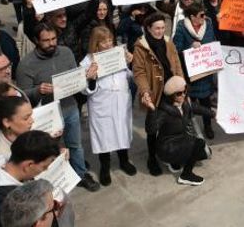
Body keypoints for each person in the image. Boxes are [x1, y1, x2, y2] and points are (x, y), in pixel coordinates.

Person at [16, 24, 100, 191]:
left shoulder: (66, 52)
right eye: (46, 41)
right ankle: (54, 182)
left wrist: (85, 76)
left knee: (75, 145)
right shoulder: (25, 65)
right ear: (36, 41)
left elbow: (74, 76)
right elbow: (23, 96)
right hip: (46, 117)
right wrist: (37, 90)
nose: (51, 43)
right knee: (50, 151)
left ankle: (81, 174)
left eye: (54, 39)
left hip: (70, 108)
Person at [0, 131, 61, 227]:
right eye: (44, 166)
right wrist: (50, 215)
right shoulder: (14, 203)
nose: (46, 170)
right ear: (29, 165)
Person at [79, 26, 136, 186]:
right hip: (101, 103)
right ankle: (105, 166)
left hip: (121, 100)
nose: (108, 44)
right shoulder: (87, 61)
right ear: (96, 44)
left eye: (110, 40)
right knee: (104, 136)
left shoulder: (119, 54)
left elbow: (130, 76)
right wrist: (91, 78)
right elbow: (84, 90)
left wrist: (131, 63)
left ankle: (124, 160)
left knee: (122, 131)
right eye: (104, 42)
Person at [132, 12, 185, 176]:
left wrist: (181, 84)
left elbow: (176, 63)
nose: (160, 31)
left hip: (172, 90)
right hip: (155, 93)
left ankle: (171, 153)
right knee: (152, 127)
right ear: (148, 28)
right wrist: (145, 91)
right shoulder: (141, 46)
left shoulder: (168, 42)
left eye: (162, 28)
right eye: (156, 28)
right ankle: (152, 158)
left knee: (173, 124)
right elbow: (139, 72)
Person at [153, 76, 213, 186]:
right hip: (167, 147)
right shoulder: (163, 111)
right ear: (171, 95)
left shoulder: (185, 104)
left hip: (180, 141)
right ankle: (186, 175)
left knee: (204, 154)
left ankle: (175, 161)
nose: (183, 95)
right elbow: (151, 128)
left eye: (185, 91)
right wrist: (152, 111)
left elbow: (199, 109)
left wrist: (215, 114)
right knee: (198, 144)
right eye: (179, 93)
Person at [172, 3, 217, 139]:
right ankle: (190, 129)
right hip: (189, 72)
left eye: (204, 14)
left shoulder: (208, 25)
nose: (204, 17)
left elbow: (212, 40)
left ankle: (208, 126)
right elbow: (176, 47)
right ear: (192, 17)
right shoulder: (181, 27)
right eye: (201, 15)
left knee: (206, 101)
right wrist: (190, 46)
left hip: (205, 71)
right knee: (189, 103)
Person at [0, 96, 34, 165]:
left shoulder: (20, 136)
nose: (32, 121)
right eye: (26, 118)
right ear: (7, 122)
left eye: (31, 116)